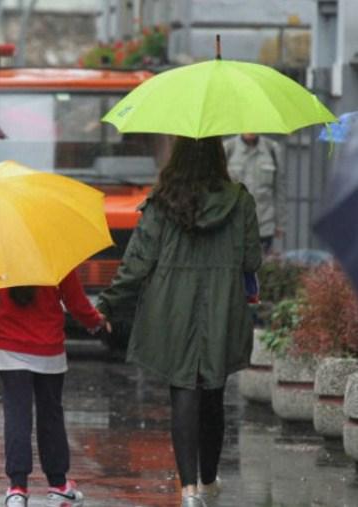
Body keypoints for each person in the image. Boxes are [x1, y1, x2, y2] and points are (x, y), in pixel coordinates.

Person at [96, 136, 262, 507]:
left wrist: (106, 305)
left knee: (183, 388)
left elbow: (137, 262)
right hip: (222, 306)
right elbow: (252, 260)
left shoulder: (162, 202)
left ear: (179, 156)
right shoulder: (240, 200)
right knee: (213, 389)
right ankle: (207, 480)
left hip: (172, 306)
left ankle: (187, 491)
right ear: (219, 155)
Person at [0, 271, 106, 507]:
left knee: (17, 418)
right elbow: (75, 300)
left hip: (11, 348)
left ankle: (17, 488)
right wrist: (96, 321)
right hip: (48, 347)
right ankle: (58, 485)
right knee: (51, 416)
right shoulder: (55, 253)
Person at [223, 133, 284, 254]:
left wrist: (280, 223)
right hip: (234, 224)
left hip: (264, 224)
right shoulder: (228, 148)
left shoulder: (272, 148)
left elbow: (280, 189)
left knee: (261, 267)